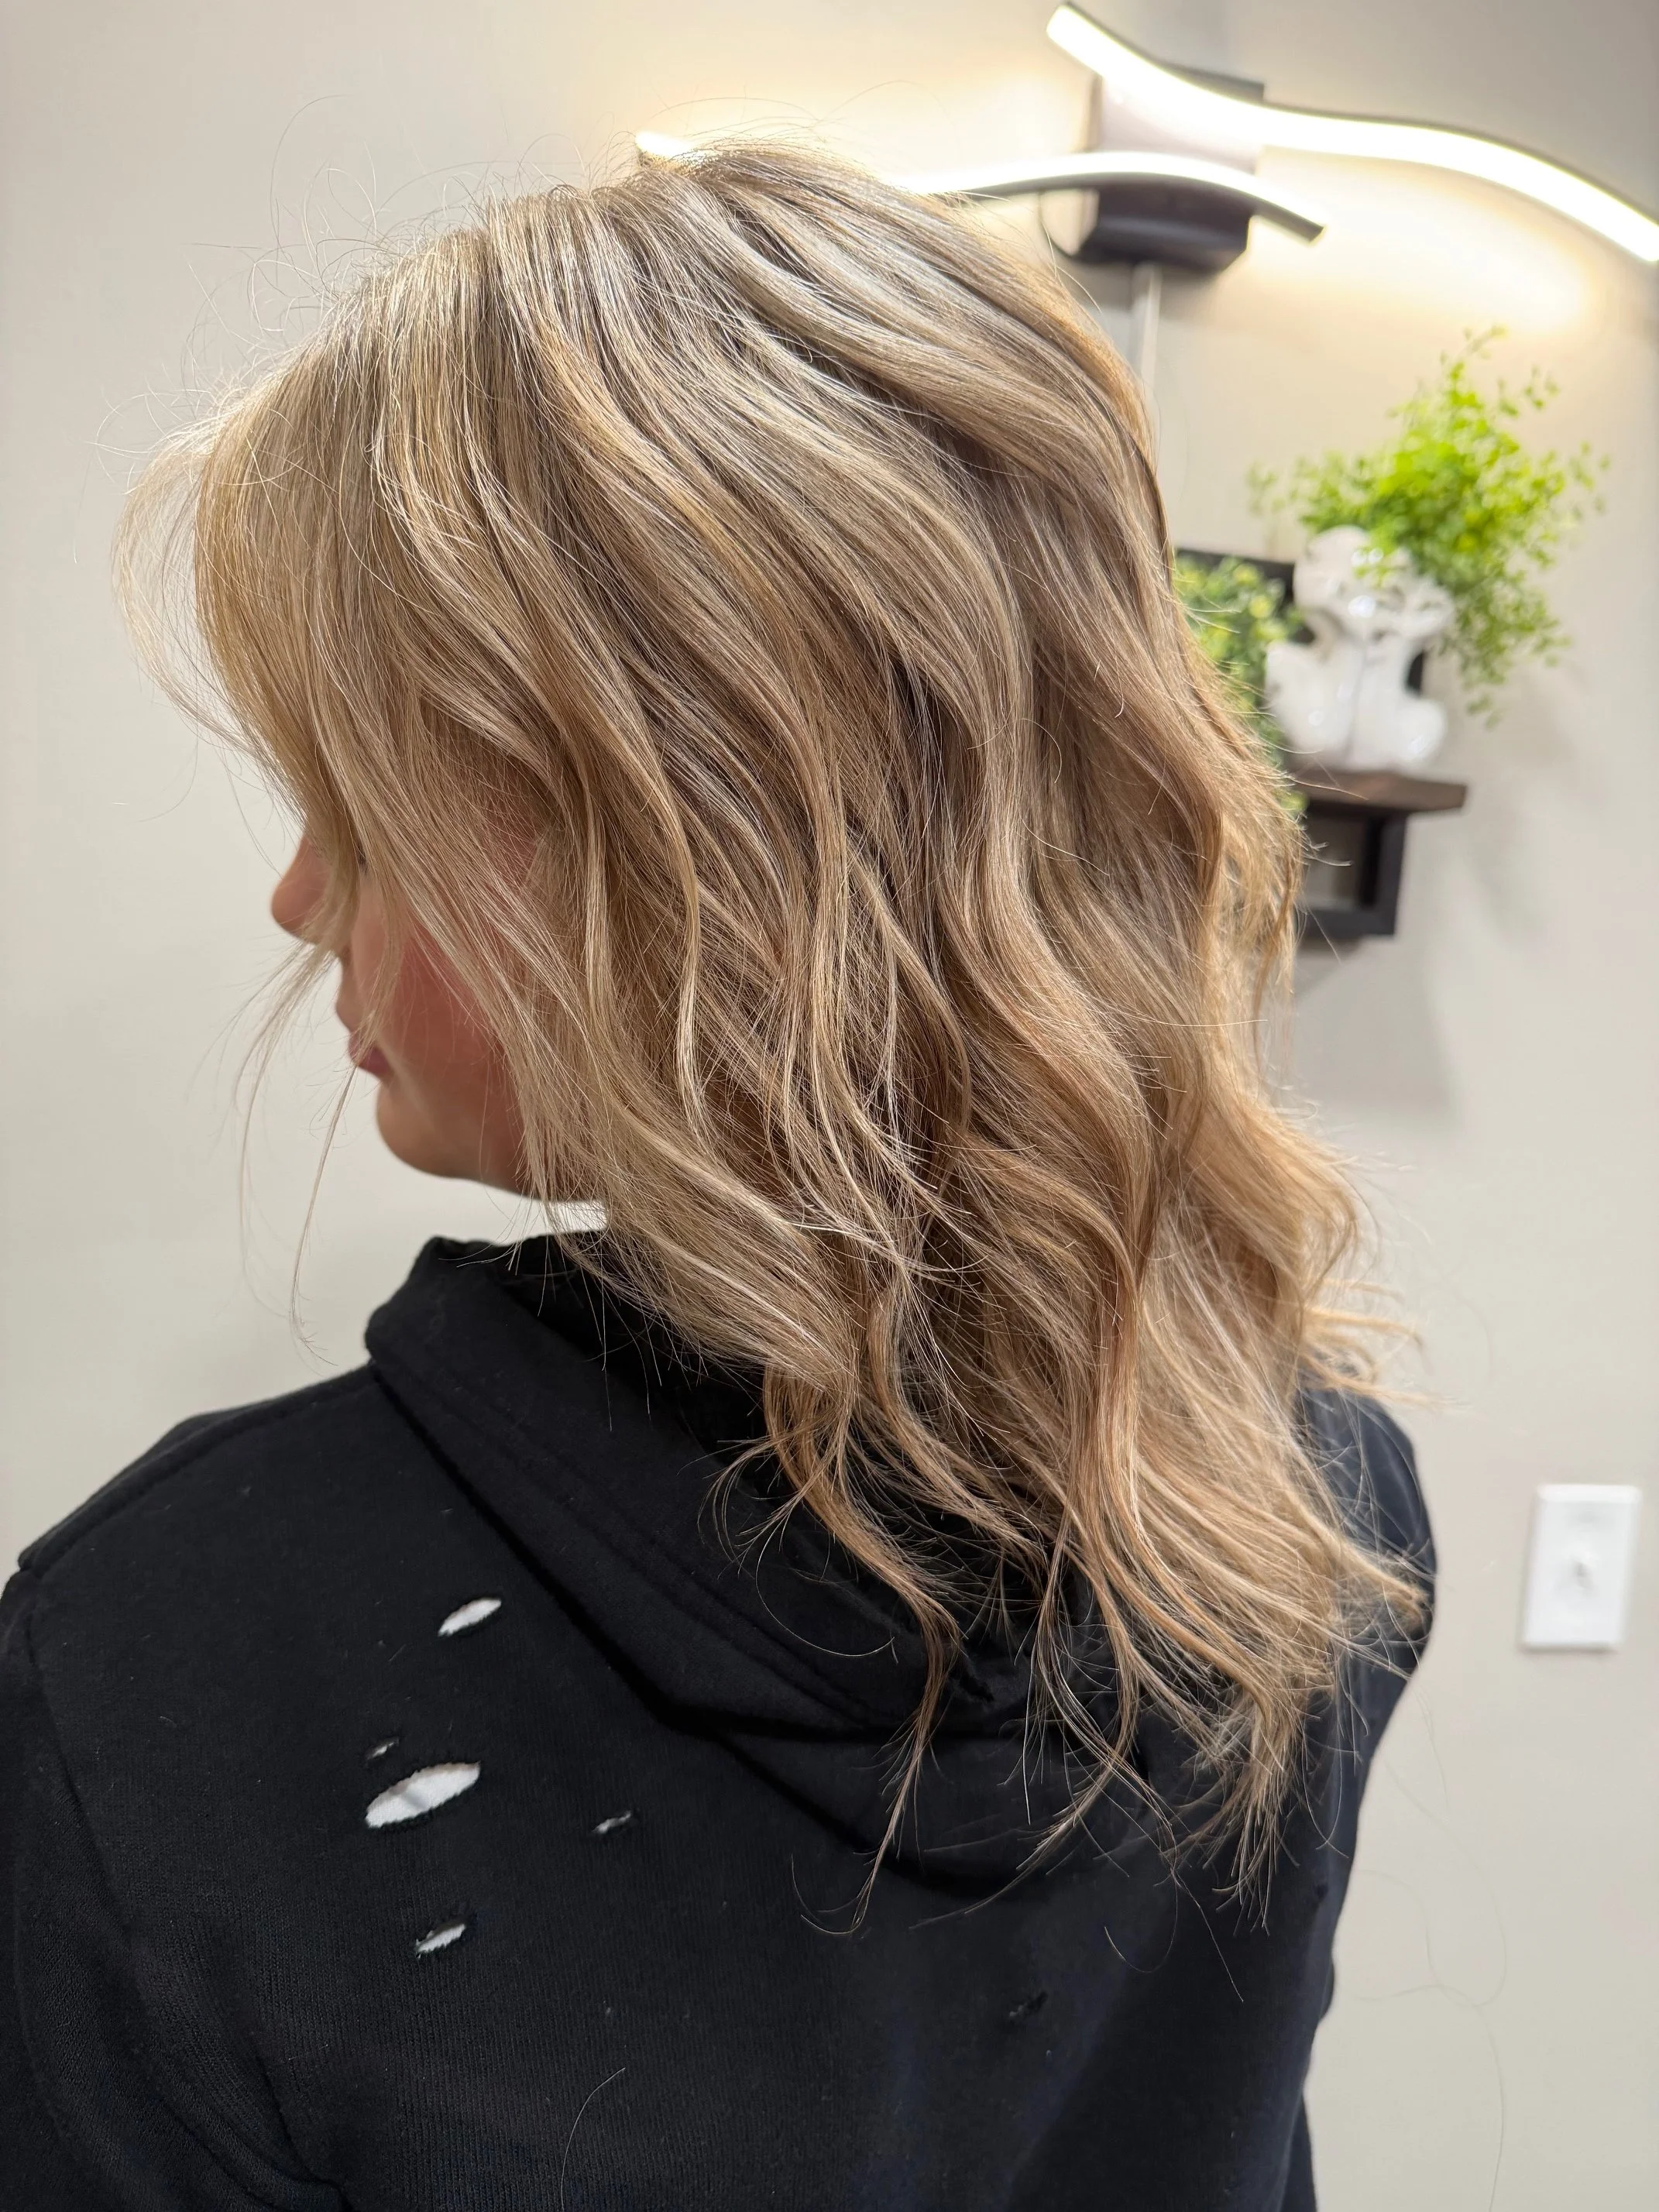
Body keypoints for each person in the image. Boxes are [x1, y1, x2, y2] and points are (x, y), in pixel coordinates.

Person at [0, 140, 1431, 2210]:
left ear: (686, 858)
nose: (307, 901)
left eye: (362, 811)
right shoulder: (1317, 1511)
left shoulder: (174, 1676)